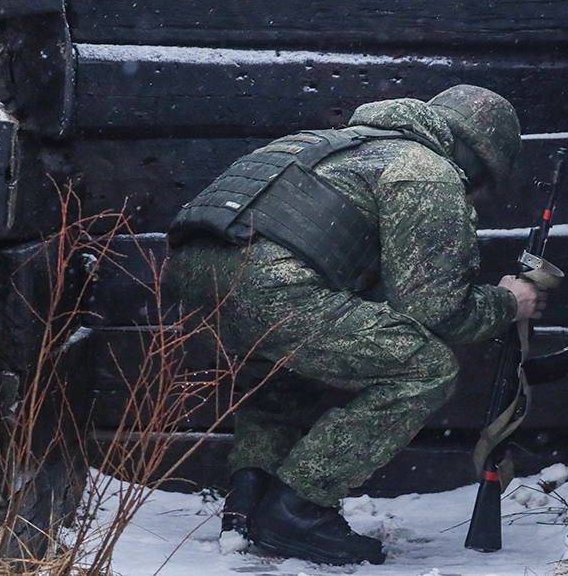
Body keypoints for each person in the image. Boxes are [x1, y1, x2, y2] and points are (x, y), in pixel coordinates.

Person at [165, 85, 546, 566]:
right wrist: (509, 303)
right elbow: (438, 309)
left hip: (194, 277)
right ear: (477, 158)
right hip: (271, 283)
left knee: (290, 369)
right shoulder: (424, 169)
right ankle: (299, 507)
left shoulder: (330, 145)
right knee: (423, 368)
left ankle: (249, 496)